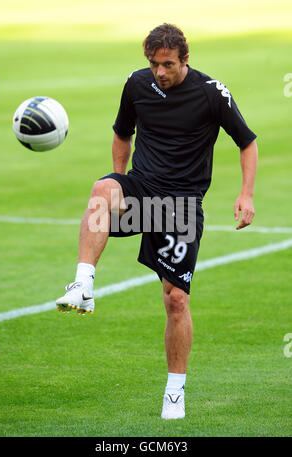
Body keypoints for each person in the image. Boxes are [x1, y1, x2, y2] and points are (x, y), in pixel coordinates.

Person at [56, 23, 258, 420]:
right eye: (153, 64)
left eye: (167, 64)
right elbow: (121, 134)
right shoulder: (136, 84)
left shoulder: (211, 93)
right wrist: (120, 179)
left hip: (181, 205)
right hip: (143, 189)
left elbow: (247, 142)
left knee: (176, 300)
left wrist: (246, 194)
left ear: (185, 59)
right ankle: (83, 285)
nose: (160, 72)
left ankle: (174, 393)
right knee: (101, 190)